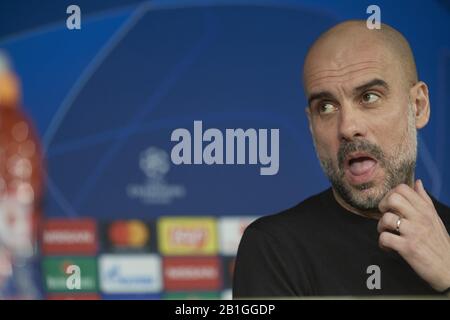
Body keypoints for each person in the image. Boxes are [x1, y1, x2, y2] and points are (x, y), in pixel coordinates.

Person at [233, 20, 450, 298]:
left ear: (418, 106)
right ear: (311, 125)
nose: (347, 127)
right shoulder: (275, 248)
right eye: (326, 107)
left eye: (369, 97)